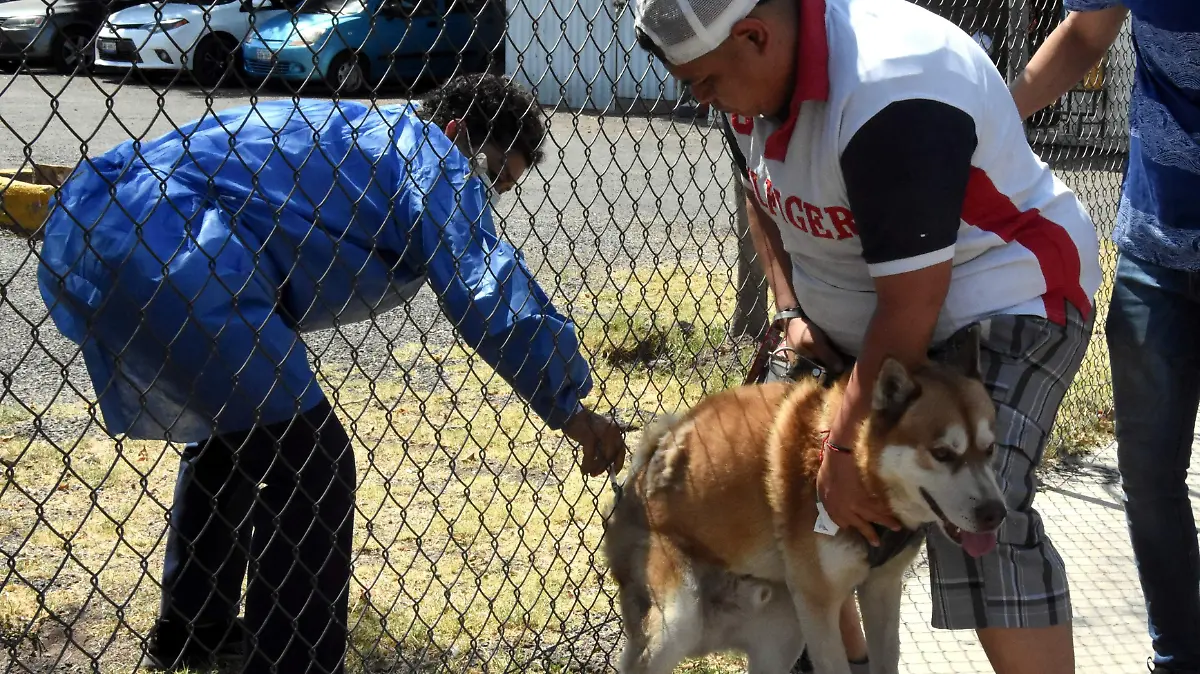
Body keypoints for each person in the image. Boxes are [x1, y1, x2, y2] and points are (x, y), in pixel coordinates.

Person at [36, 73, 628, 673]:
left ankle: (195, 632)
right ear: (458, 133)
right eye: (494, 175)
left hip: (109, 221)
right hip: (180, 244)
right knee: (314, 461)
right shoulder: (434, 156)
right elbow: (485, 287)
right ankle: (296, 662)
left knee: (238, 435)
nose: (489, 195)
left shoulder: (365, 131)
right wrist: (570, 408)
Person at [631, 0, 1103, 672]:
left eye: (706, 83)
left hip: (1005, 288)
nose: (705, 102)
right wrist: (791, 306)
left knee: (977, 510)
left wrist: (848, 445)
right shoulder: (746, 80)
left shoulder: (891, 89)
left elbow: (912, 305)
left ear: (756, 35)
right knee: (800, 497)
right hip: (863, 312)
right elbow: (759, 194)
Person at [1011, 4, 1200, 672]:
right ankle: (1178, 659)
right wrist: (994, 112)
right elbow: (1087, 33)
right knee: (1149, 478)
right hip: (1156, 249)